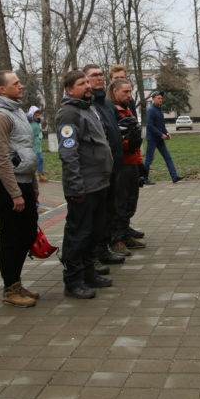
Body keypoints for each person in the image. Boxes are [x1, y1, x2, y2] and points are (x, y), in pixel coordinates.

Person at [0, 71, 40, 307]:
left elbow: (26, 149)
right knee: (11, 237)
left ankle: (16, 281)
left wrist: (33, 183)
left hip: (23, 182)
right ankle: (10, 288)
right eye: (16, 83)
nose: (21, 86)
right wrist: (15, 193)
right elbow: (1, 159)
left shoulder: (16, 111)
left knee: (27, 234)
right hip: (8, 185)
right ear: (2, 90)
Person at [55, 70, 114, 299]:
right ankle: (73, 281)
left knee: (94, 233)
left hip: (99, 183)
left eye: (88, 82)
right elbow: (68, 154)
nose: (88, 86)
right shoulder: (68, 113)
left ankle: (89, 274)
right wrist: (76, 186)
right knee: (79, 235)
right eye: (82, 83)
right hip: (83, 186)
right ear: (70, 90)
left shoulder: (87, 108)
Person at [84, 64, 126, 265]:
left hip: (114, 166)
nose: (99, 78)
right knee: (96, 214)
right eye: (94, 75)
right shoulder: (88, 104)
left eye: (101, 74)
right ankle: (93, 255)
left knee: (109, 210)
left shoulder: (107, 104)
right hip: (96, 170)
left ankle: (104, 248)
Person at [109, 78, 146, 257]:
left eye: (130, 91)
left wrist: (140, 162)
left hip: (132, 162)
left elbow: (134, 139)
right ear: (115, 91)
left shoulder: (128, 109)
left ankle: (125, 234)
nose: (129, 95)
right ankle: (116, 239)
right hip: (121, 164)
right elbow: (113, 138)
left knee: (131, 201)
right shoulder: (112, 111)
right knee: (119, 203)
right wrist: (126, 143)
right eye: (125, 92)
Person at [144, 91, 185, 183]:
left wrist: (166, 133)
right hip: (152, 139)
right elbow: (150, 126)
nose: (160, 100)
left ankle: (174, 176)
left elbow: (161, 125)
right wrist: (160, 134)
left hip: (160, 139)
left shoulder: (159, 109)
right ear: (153, 99)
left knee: (167, 157)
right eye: (158, 98)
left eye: (161, 98)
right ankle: (144, 178)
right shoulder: (151, 110)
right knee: (149, 159)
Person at [27, 105, 47, 182]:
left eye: (38, 115)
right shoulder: (28, 122)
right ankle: (31, 175)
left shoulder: (38, 122)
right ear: (32, 114)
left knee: (40, 159)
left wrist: (40, 137)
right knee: (32, 161)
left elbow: (39, 131)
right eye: (36, 115)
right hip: (30, 144)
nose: (37, 116)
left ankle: (40, 173)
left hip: (37, 144)